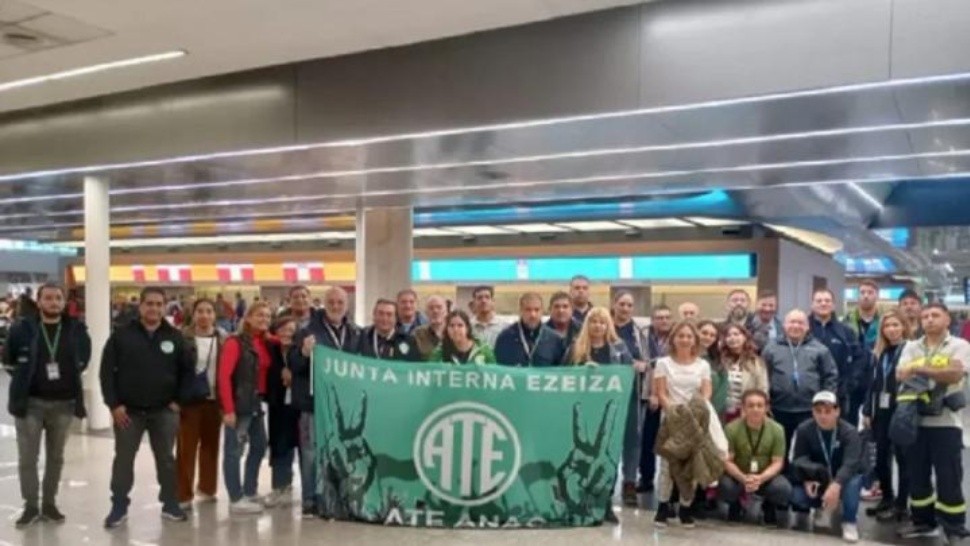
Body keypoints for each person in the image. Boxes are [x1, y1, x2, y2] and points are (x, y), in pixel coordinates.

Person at [100, 287, 193, 528]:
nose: (154, 308)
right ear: (140, 306)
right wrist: (114, 405)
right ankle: (119, 506)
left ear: (165, 307)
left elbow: (187, 372)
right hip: (128, 412)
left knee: (166, 460)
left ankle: (170, 504)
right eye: (149, 303)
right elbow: (106, 372)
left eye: (159, 304)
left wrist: (178, 401)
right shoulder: (121, 335)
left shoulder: (174, 336)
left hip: (164, 411)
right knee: (123, 460)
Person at [4, 282, 91, 528]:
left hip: (63, 404)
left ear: (64, 302)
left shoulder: (75, 329)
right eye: (48, 298)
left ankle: (49, 504)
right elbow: (9, 361)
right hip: (30, 404)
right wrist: (25, 381)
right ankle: (31, 506)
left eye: (58, 298)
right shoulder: (22, 328)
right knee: (27, 458)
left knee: (56, 457)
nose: (53, 302)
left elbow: (84, 359)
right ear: (39, 301)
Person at [896, 303, 970, 542]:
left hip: (947, 422)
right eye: (925, 316)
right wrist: (938, 368)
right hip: (914, 421)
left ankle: (954, 526)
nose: (929, 320)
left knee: (949, 476)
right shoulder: (911, 346)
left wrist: (919, 368)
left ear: (947, 319)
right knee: (917, 475)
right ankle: (923, 521)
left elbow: (956, 374)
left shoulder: (961, 346)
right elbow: (900, 374)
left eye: (935, 315)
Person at [291, 286, 357, 517]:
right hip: (313, 404)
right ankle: (309, 499)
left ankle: (335, 496)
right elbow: (294, 366)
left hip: (342, 406)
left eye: (340, 302)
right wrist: (304, 354)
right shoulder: (307, 332)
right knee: (310, 453)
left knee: (340, 452)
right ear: (323, 304)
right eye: (331, 302)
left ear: (347, 305)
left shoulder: (354, 333)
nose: (336, 306)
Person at [567, 307, 641, 511]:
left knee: (609, 450)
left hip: (612, 408)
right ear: (587, 325)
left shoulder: (619, 348)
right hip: (586, 409)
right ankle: (582, 493)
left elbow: (628, 377)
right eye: (593, 322)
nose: (598, 326)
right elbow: (563, 376)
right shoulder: (576, 348)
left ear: (608, 325)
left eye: (602, 322)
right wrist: (581, 370)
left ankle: (606, 495)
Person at [652, 320, 713, 528]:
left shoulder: (703, 365)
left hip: (695, 420)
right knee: (667, 466)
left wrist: (696, 410)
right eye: (681, 336)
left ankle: (686, 508)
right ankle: (662, 506)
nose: (685, 339)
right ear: (674, 339)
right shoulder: (663, 363)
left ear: (694, 339)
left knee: (691, 465)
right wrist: (673, 412)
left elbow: (706, 392)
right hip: (671, 419)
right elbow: (661, 392)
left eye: (689, 336)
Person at [217, 303, 275, 515]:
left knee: (259, 446)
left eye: (268, 316)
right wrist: (228, 409)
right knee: (234, 450)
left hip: (255, 403)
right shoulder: (235, 342)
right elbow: (223, 376)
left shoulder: (261, 341)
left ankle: (250, 490)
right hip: (239, 405)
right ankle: (235, 497)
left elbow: (281, 342)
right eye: (260, 315)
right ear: (248, 317)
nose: (264, 319)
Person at [790, 391, 866, 543]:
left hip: (842, 479)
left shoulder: (849, 432)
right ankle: (820, 507)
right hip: (818, 478)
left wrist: (836, 484)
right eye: (818, 411)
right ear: (812, 412)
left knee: (854, 481)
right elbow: (797, 460)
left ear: (837, 411)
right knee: (795, 495)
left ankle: (849, 521)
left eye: (828, 411)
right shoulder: (804, 429)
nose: (823, 416)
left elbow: (851, 463)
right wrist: (807, 479)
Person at [763, 309, 839, 457]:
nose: (796, 326)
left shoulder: (820, 349)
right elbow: (763, 376)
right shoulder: (771, 348)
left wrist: (825, 403)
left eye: (800, 323)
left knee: (807, 449)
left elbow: (830, 376)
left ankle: (806, 477)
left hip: (809, 410)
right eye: (792, 322)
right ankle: (782, 478)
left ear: (807, 326)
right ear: (784, 325)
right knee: (780, 449)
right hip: (779, 409)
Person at [176, 299, 226, 511]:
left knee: (210, 447)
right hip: (189, 402)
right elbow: (173, 370)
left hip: (214, 401)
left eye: (208, 311)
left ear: (214, 315)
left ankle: (207, 488)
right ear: (193, 314)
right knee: (186, 448)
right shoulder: (182, 338)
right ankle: (182, 493)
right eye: (200, 311)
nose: (204, 315)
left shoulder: (223, 339)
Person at [860, 311, 909, 522]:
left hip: (901, 411)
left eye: (896, 325)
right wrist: (868, 410)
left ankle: (901, 504)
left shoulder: (909, 350)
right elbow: (873, 385)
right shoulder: (881, 353)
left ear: (904, 327)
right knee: (881, 458)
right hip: (881, 412)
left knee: (903, 458)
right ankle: (887, 497)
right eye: (887, 326)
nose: (891, 329)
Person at [718, 389, 791, 526]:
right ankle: (736, 505)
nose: (755, 409)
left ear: (767, 408)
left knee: (782, 488)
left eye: (759, 405)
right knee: (724, 486)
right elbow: (727, 461)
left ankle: (768, 506)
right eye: (750, 405)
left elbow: (778, 462)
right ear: (743, 408)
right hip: (739, 476)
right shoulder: (731, 429)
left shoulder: (777, 430)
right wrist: (743, 478)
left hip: (765, 477)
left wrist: (760, 478)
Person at [809, 288, 866, 427]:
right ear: (812, 305)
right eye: (819, 301)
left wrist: (849, 384)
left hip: (838, 394)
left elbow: (859, 358)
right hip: (808, 394)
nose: (823, 304)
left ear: (833, 305)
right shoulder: (804, 329)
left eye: (827, 301)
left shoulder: (845, 331)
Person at [264, 316, 301, 509]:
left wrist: (293, 376)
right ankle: (280, 486)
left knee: (300, 445)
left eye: (291, 330)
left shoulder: (300, 351)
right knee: (279, 445)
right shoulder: (270, 349)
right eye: (283, 330)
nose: (287, 334)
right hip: (277, 404)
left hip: (297, 405)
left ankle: (302, 488)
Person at [639, 304, 673, 494]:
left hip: (671, 395)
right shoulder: (644, 336)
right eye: (659, 317)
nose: (664, 320)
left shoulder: (677, 337)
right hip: (647, 393)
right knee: (647, 439)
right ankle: (646, 477)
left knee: (671, 441)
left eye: (667, 317)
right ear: (652, 320)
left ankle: (671, 482)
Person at [494, 293, 565, 367]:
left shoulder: (555, 339)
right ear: (521, 311)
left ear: (542, 311)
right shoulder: (505, 337)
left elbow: (561, 372)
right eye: (528, 310)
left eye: (536, 310)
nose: (533, 315)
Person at [718, 324, 769, 423]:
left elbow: (763, 390)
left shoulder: (756, 363)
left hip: (746, 413)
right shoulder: (720, 361)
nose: (732, 338)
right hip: (722, 413)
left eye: (736, 334)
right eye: (728, 335)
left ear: (745, 337)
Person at [429, 310, 496, 365]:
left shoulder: (483, 349)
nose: (455, 329)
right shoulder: (439, 352)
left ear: (467, 328)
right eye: (451, 325)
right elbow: (430, 372)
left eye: (460, 325)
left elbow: (494, 373)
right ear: (447, 329)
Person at [844, 280, 881, 352]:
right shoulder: (846, 320)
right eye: (862, 292)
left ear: (877, 296)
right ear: (857, 296)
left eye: (870, 292)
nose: (866, 296)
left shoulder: (884, 320)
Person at [411, 295, 448, 361]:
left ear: (446, 311)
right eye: (431, 308)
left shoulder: (454, 331)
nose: (435, 311)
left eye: (439, 307)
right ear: (426, 312)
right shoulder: (417, 334)